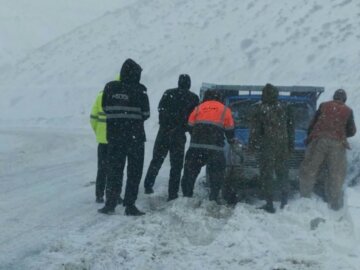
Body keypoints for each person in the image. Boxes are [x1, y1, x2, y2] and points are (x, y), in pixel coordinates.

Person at [98, 59, 150, 216]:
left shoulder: (110, 87)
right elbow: (146, 114)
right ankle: (130, 205)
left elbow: (105, 107)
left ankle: (110, 203)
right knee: (134, 172)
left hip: (115, 137)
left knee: (114, 171)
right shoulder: (140, 91)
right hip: (135, 139)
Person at [144, 74, 199, 201]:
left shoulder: (168, 93)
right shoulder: (193, 98)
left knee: (156, 160)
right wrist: (188, 130)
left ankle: (148, 185)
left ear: (178, 82)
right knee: (177, 165)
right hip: (179, 134)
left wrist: (166, 123)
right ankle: (172, 193)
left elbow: (160, 109)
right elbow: (194, 117)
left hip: (163, 132)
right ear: (189, 84)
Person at [299, 89, 356, 210]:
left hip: (319, 140)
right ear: (344, 100)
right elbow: (352, 131)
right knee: (336, 173)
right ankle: (334, 203)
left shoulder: (323, 106)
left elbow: (313, 124)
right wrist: (340, 132)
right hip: (337, 144)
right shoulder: (348, 111)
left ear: (334, 97)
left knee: (310, 168)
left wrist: (311, 136)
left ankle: (305, 197)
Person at [181, 90, 236, 202]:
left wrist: (197, 136)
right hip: (215, 148)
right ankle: (213, 197)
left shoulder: (198, 108)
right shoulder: (225, 109)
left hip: (196, 147)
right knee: (216, 173)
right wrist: (231, 140)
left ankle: (187, 196)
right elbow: (230, 130)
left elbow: (190, 125)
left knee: (190, 172)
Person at [248, 83, 294, 213]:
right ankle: (284, 201)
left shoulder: (259, 109)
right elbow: (291, 129)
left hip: (267, 146)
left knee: (267, 174)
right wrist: (291, 146)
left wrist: (251, 147)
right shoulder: (285, 108)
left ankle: (269, 203)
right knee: (282, 172)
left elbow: (255, 131)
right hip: (283, 145)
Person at [90, 90, 108, 203]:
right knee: (116, 169)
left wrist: (98, 132)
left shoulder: (100, 96)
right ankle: (114, 193)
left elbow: (93, 118)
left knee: (102, 169)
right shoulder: (123, 95)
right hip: (118, 140)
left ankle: (99, 195)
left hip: (102, 140)